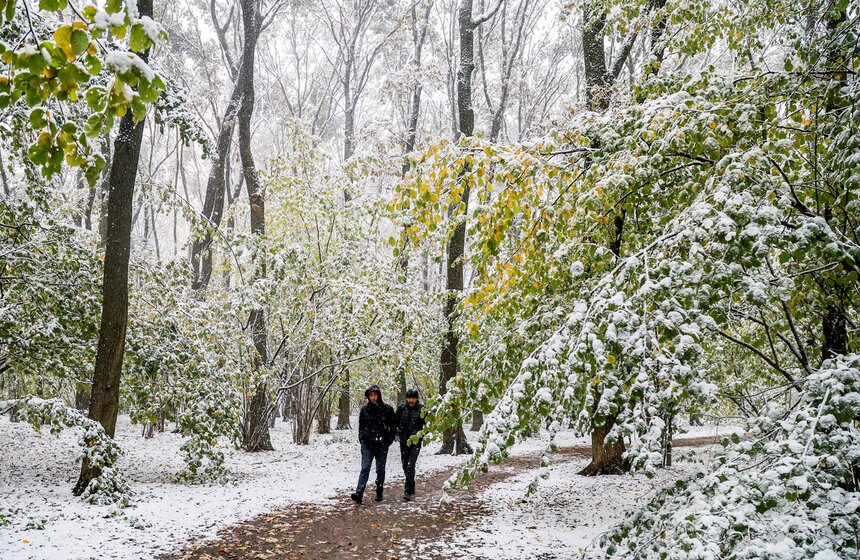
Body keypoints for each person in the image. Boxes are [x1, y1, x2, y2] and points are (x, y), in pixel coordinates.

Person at [350, 385, 396, 505]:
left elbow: (393, 426)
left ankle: (379, 490)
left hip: (382, 444)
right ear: (368, 396)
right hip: (367, 444)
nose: (373, 397)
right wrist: (362, 439)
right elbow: (361, 426)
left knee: (380, 469)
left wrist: (389, 440)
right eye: (371, 395)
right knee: (365, 468)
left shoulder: (387, 409)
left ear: (379, 395)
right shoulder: (365, 410)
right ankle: (359, 494)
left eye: (375, 394)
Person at [396, 389, 425, 501]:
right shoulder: (401, 409)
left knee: (410, 466)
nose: (411, 400)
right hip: (403, 442)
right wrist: (398, 433)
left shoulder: (422, 410)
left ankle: (407, 490)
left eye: (413, 398)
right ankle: (411, 484)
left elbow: (427, 426)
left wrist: (419, 435)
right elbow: (395, 422)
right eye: (409, 398)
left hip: (416, 443)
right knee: (405, 465)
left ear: (417, 398)